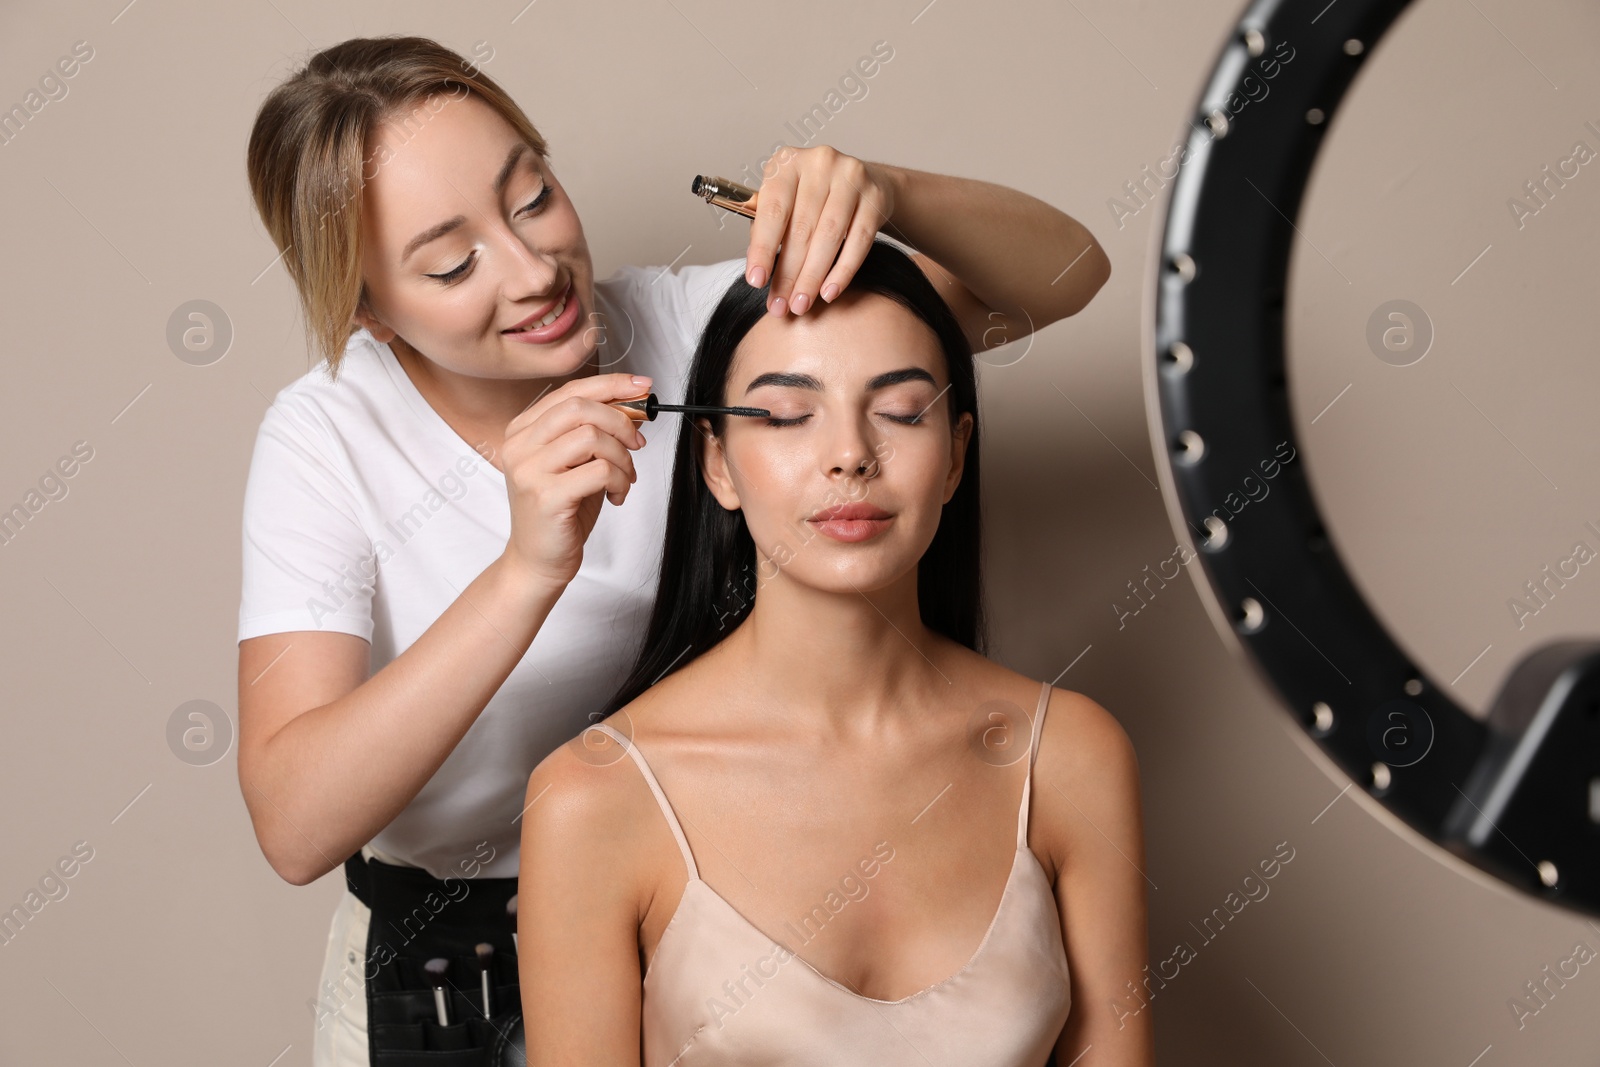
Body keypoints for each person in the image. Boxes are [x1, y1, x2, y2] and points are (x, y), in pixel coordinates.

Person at [236, 35, 1111, 1066]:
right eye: (452, 262)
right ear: (369, 311)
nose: (533, 271)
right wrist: (527, 572)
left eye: (532, 197)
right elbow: (296, 823)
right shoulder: (327, 437)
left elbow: (1063, 273)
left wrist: (887, 191)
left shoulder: (707, 329)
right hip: (454, 964)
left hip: (715, 912)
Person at [517, 239, 1150, 1066]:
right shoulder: (592, 797)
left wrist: (882, 188)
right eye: (785, 415)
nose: (851, 453)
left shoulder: (1070, 755)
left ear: (957, 454)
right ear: (718, 463)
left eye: (900, 410)